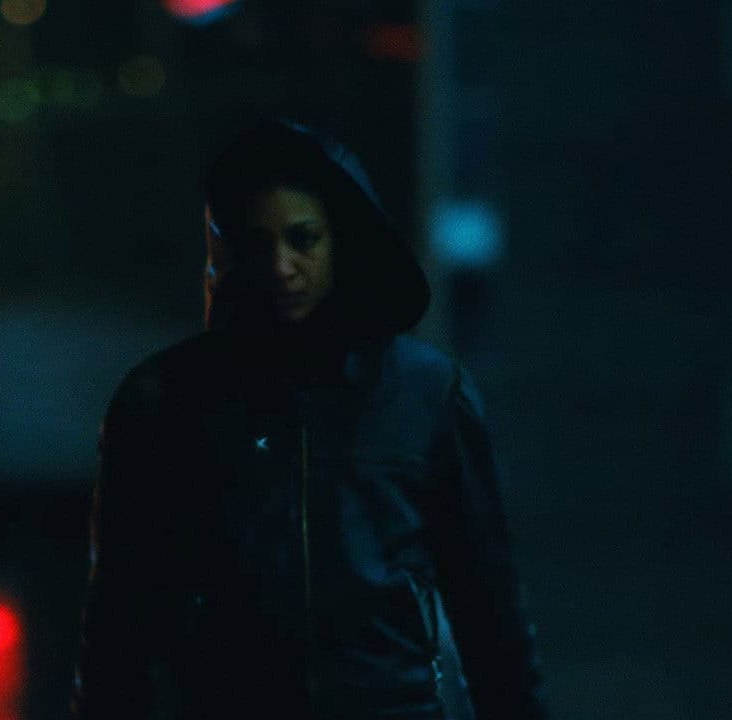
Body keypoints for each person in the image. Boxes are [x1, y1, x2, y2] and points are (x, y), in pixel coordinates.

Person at [71, 120, 548, 720]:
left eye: (303, 239)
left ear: (340, 240)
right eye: (257, 243)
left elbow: (490, 610)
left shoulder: (425, 394)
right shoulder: (166, 401)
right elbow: (118, 623)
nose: (281, 265)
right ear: (229, 252)